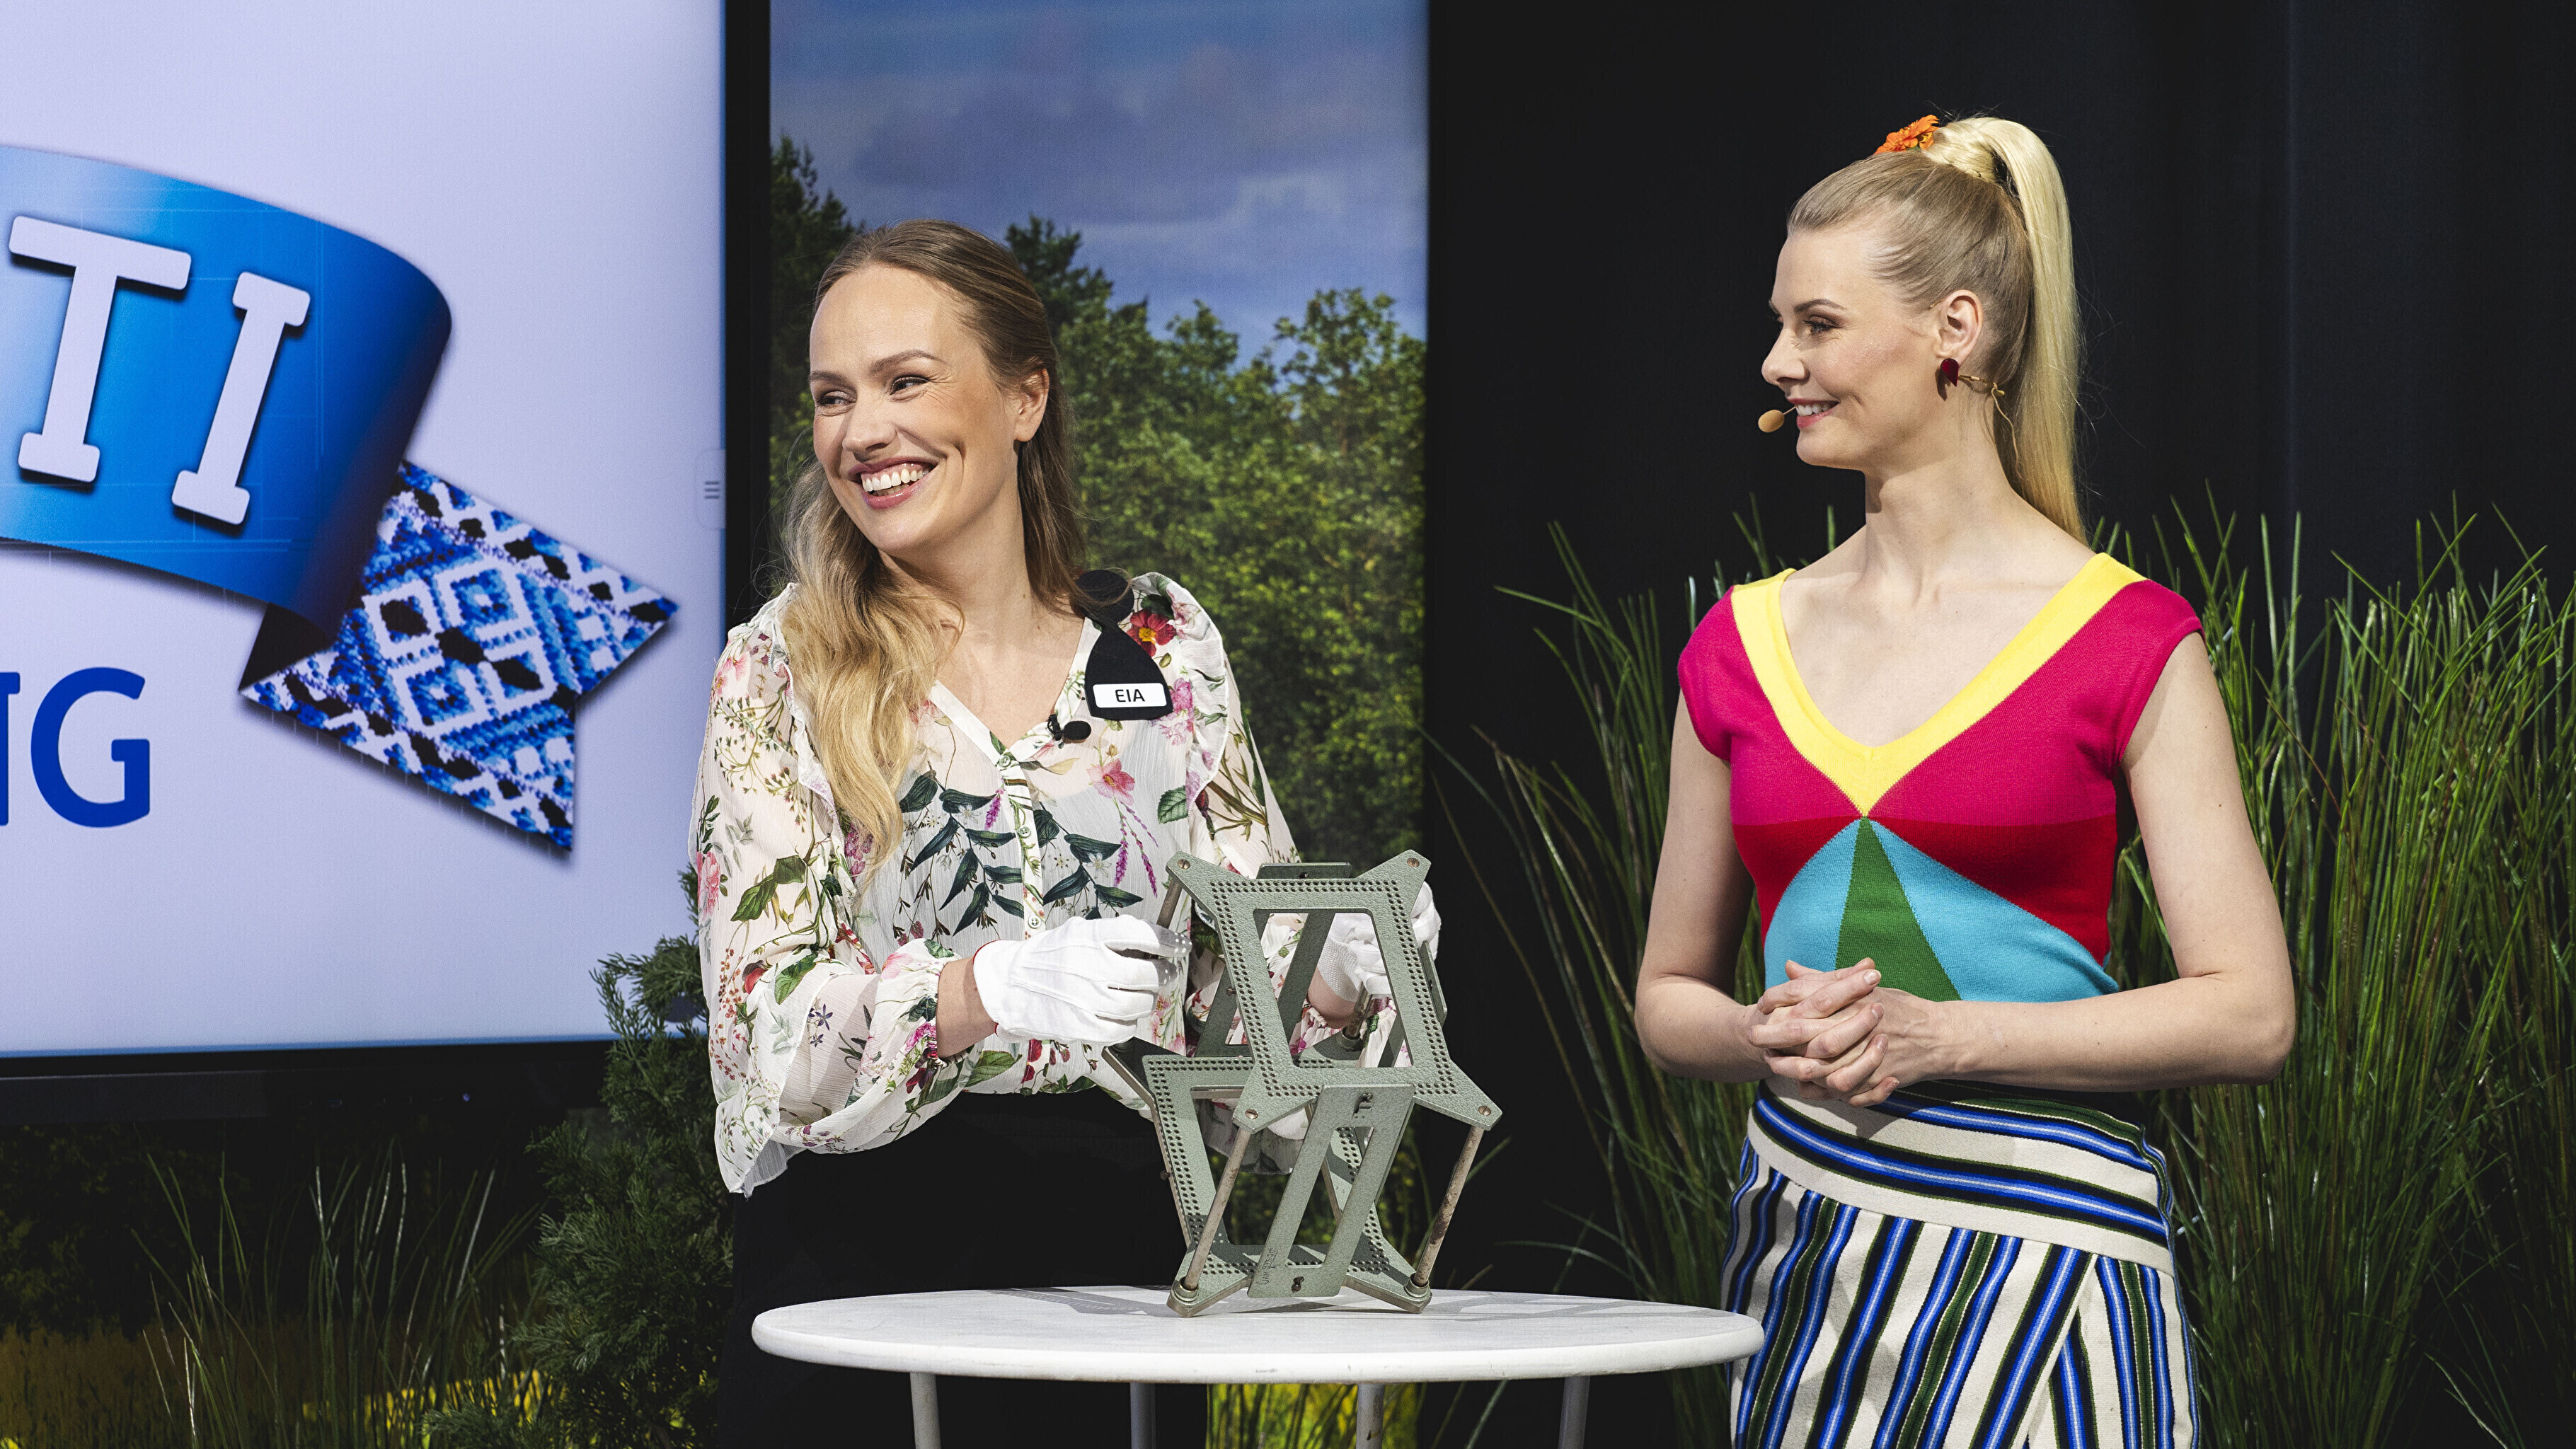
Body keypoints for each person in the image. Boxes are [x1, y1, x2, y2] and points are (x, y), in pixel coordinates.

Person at [693, 219, 1434, 1446]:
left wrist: (1341, 972)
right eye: (832, 396)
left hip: (1116, 1288)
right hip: (859, 1288)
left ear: (1024, 397)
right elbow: (764, 1043)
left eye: (905, 381)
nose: (861, 430)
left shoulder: (1161, 643)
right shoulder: (781, 666)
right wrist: (983, 989)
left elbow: (1236, 1022)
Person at [1635, 115, 2294, 1447]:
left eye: (1818, 325)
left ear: (1956, 329)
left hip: (2052, 1274)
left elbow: (2251, 1013)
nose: (1779, 363)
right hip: (1805, 1265)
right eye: (1780, 326)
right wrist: (1764, 1036)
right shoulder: (1736, 645)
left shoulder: (2129, 638)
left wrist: (1948, 1038)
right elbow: (1666, 998)